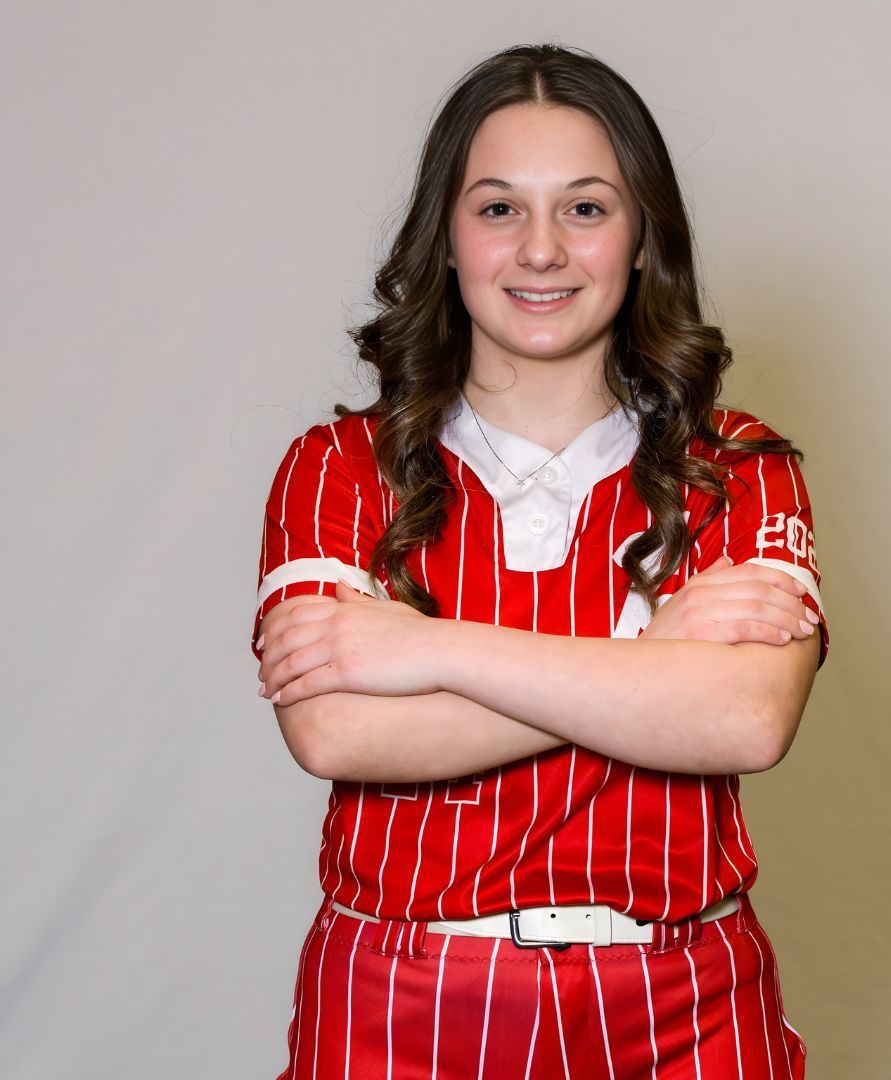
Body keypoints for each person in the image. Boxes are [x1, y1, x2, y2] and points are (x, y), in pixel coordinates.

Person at [252, 42, 829, 1080]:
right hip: (405, 1000)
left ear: (645, 235)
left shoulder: (738, 467)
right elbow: (338, 731)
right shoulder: (340, 468)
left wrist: (429, 649)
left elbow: (742, 718)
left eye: (587, 208)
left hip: (687, 997)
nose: (542, 251)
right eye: (499, 208)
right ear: (447, 238)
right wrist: (653, 650)